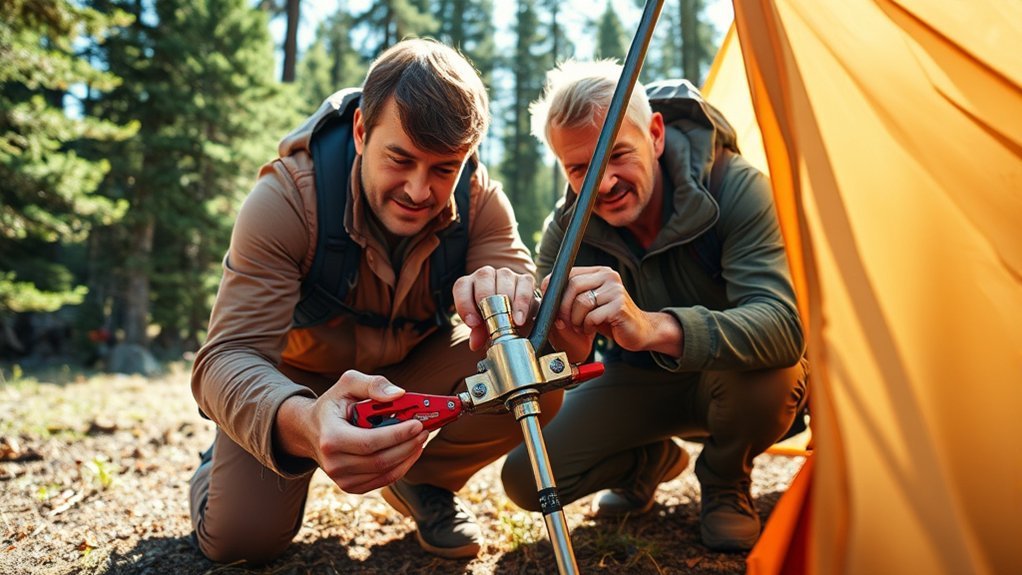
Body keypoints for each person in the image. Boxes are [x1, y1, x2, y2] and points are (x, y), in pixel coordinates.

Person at [189, 38, 550, 563]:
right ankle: (225, 455)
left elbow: (518, 283)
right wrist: (301, 421)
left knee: (527, 365)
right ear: (361, 131)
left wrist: (515, 296)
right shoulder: (287, 199)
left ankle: (422, 480)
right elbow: (223, 359)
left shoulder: (482, 202)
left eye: (444, 168)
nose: (419, 190)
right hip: (298, 388)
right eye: (400, 159)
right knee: (242, 542)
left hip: (413, 378)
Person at [501, 60, 809, 552]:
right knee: (527, 479)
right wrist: (566, 346)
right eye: (579, 168)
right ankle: (649, 463)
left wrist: (652, 327)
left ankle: (727, 480)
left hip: (735, 380)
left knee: (775, 372)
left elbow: (783, 325)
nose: (603, 184)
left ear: (657, 134)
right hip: (637, 383)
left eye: (618, 155)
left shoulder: (735, 187)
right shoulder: (566, 230)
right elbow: (541, 355)